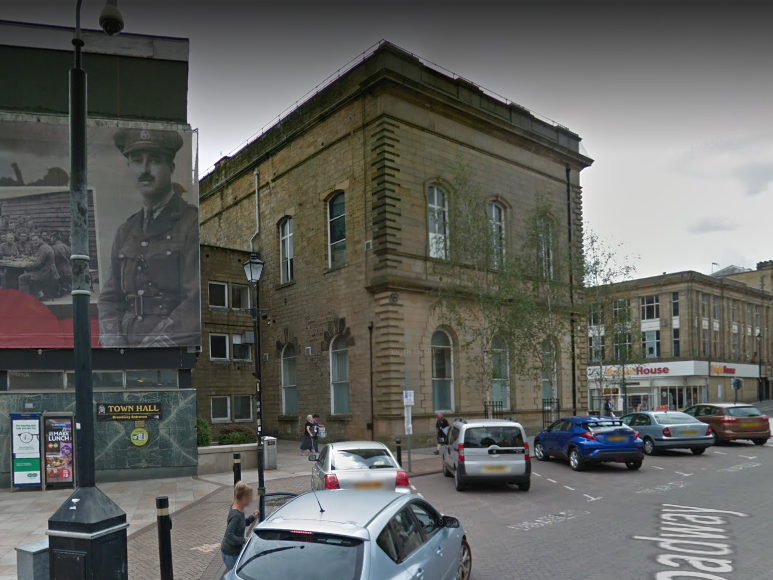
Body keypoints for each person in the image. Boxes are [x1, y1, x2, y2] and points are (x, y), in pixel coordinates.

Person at [98, 128, 200, 348]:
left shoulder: (191, 223)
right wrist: (115, 343)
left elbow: (195, 299)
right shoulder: (126, 230)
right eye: (136, 161)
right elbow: (109, 298)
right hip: (124, 347)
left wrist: (152, 348)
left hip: (170, 348)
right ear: (129, 168)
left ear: (170, 168)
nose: (144, 170)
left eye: (154, 161)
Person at [220, 481, 260, 572]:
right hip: (230, 554)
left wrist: (252, 517)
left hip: (234, 552)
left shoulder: (239, 509)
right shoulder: (236, 515)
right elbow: (228, 535)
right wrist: (243, 540)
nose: (252, 500)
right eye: (250, 497)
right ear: (244, 498)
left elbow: (241, 524)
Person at [18, 234, 59, 299]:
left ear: (41, 239)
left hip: (46, 272)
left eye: (36, 240)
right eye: (33, 240)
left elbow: (38, 263)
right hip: (49, 271)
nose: (34, 242)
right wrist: (32, 259)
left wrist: (26, 265)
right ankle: (36, 294)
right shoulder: (45, 246)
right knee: (30, 273)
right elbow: (41, 259)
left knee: (22, 277)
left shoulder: (43, 248)